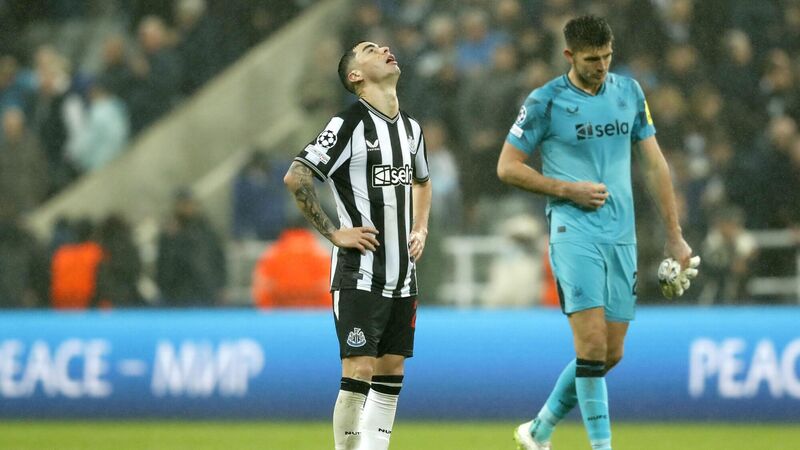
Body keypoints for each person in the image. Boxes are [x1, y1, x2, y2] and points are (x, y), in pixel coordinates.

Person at [497, 16, 694, 450]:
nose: (602, 65)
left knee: (611, 353)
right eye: (591, 59)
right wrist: (567, 190)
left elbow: (654, 164)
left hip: (621, 235)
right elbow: (507, 167)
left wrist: (674, 234)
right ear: (569, 55)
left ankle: (538, 430)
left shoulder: (630, 92)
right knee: (590, 345)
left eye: (607, 56)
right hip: (574, 230)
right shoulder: (545, 101)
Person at [283, 41, 432, 450]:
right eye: (369, 49)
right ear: (355, 76)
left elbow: (422, 181)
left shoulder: (411, 129)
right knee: (360, 370)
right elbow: (297, 176)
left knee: (391, 370)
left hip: (403, 276)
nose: (384, 48)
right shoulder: (347, 124)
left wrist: (420, 228)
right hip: (359, 272)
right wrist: (334, 233)